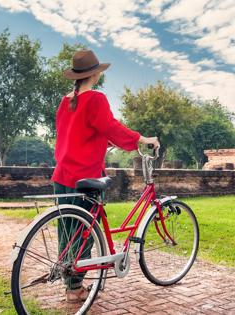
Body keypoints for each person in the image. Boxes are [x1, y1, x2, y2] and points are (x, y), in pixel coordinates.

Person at [52, 49, 159, 302]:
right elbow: (110, 126)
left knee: (67, 232)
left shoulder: (65, 101)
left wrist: (103, 142)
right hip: (84, 175)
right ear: (95, 75)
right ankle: (75, 288)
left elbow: (80, 132)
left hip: (62, 174)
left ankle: (70, 283)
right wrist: (142, 139)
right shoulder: (96, 99)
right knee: (83, 232)